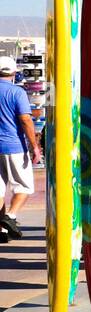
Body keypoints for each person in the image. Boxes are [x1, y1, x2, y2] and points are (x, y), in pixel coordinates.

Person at [0, 56, 42, 243]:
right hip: (14, 145)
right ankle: (11, 216)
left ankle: (1, 229)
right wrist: (35, 146)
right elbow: (25, 120)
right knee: (24, 186)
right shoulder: (17, 92)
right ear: (14, 73)